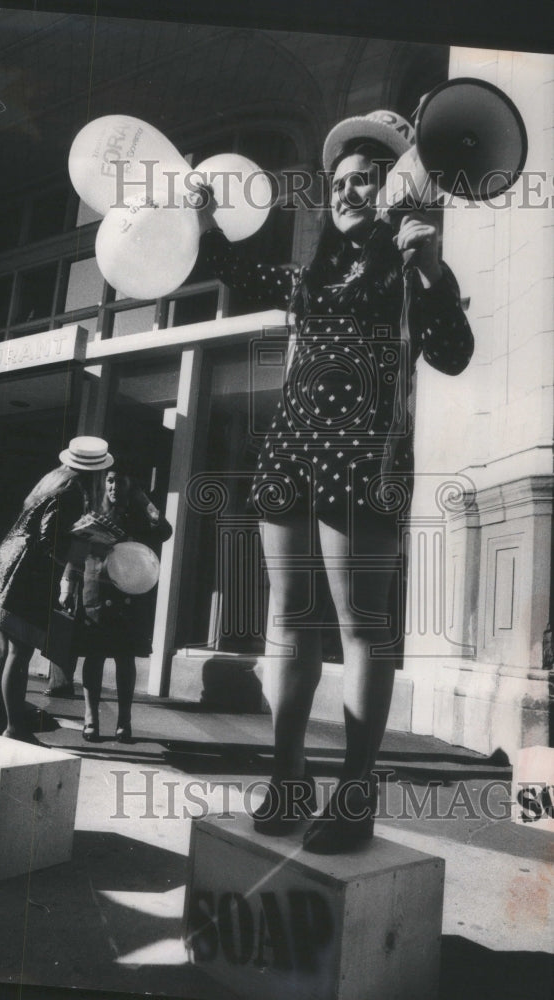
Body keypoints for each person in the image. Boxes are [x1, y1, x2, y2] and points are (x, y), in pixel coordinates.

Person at [197, 110, 474, 851]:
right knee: (286, 617)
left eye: (366, 179)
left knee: (361, 625)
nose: (349, 191)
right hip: (290, 449)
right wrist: (202, 220)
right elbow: (232, 269)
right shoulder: (311, 273)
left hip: (363, 453)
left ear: (395, 188)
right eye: (341, 182)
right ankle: (288, 776)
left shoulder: (408, 261)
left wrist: (430, 268)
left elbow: (452, 354)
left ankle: (354, 791)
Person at [0, 436, 113, 743]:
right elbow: (49, 539)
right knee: (19, 651)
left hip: (8, 564)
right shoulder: (72, 491)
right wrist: (85, 541)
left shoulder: (52, 481)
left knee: (2, 650)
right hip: (29, 575)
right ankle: (15, 728)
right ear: (95, 470)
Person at [59, 469, 172, 743]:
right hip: (95, 590)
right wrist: (67, 587)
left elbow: (165, 530)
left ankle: (124, 721)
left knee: (125, 659)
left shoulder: (139, 517)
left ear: (130, 484)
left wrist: (145, 501)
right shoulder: (93, 515)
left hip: (127, 595)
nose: (113, 486)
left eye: (120, 480)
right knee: (94, 656)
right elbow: (75, 556)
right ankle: (91, 719)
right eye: (110, 480)